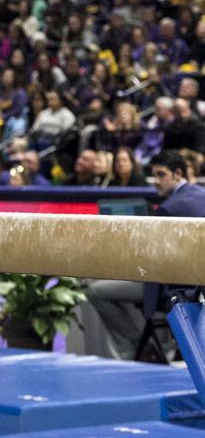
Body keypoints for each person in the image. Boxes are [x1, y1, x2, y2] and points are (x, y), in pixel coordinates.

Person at [76, 151, 205, 359]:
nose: (156, 182)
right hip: (194, 285)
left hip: (171, 286)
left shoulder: (169, 208)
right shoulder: (200, 194)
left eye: (161, 175)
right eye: (153, 176)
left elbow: (152, 259)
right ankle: (141, 344)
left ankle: (135, 343)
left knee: (95, 290)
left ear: (178, 174)